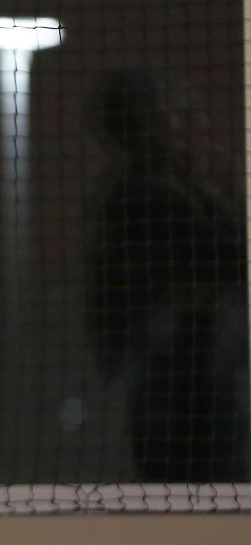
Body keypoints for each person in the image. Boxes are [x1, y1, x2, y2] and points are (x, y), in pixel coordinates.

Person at [85, 67, 249, 483]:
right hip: (180, 387)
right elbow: (228, 255)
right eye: (169, 113)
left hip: (185, 383)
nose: (184, 125)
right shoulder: (144, 194)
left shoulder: (154, 189)